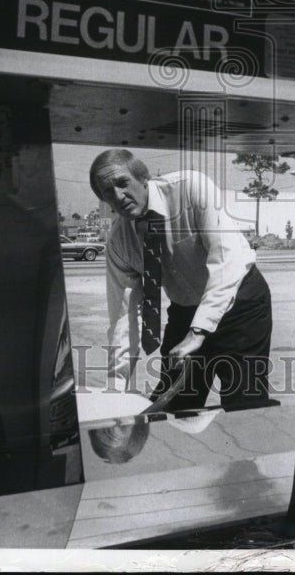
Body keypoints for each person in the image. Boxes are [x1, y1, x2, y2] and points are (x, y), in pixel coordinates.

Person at [89, 149, 273, 412]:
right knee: (169, 411)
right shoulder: (120, 241)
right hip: (185, 310)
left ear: (144, 178)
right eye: (108, 191)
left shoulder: (191, 190)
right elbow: (124, 315)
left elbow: (226, 261)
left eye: (122, 183)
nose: (118, 196)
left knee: (244, 407)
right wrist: (115, 386)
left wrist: (198, 333)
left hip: (239, 304)